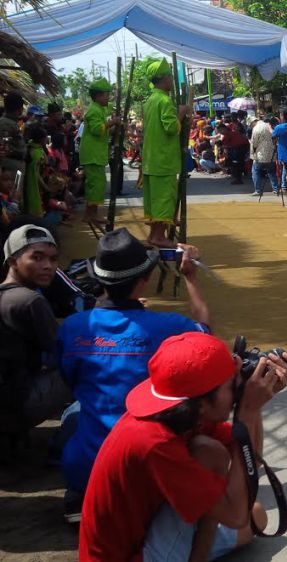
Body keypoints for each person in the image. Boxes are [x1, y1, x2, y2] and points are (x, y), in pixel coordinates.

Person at [78, 332, 287, 561]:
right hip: (127, 555)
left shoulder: (181, 409)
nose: (237, 388)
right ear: (202, 403)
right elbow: (235, 514)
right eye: (231, 384)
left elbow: (248, 455)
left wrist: (253, 402)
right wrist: (248, 412)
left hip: (150, 528)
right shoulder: (154, 441)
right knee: (212, 456)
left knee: (257, 516)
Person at [57, 228, 210, 521]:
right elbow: (206, 336)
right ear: (145, 279)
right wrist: (191, 279)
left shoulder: (74, 326)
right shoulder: (168, 326)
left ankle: (81, 496)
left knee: (74, 410)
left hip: (84, 467)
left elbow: (70, 380)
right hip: (143, 465)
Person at [0, 224, 67, 437]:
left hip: (8, 400)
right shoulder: (30, 300)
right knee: (86, 363)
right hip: (15, 407)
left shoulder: (8, 295)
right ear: (12, 261)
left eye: (53, 259)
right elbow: (62, 351)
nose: (47, 266)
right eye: (37, 258)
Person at [141, 58, 188, 248]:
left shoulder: (149, 101)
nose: (172, 80)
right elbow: (170, 128)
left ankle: (154, 235)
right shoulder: (164, 100)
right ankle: (158, 236)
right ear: (165, 79)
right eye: (170, 76)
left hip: (152, 159)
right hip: (163, 160)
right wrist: (182, 113)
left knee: (155, 199)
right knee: (163, 199)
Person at [79, 78, 120, 226]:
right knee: (96, 185)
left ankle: (91, 214)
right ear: (97, 96)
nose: (107, 98)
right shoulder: (94, 111)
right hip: (92, 154)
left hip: (95, 154)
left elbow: (108, 115)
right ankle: (90, 214)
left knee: (96, 184)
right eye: (105, 95)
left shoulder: (100, 109)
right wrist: (113, 122)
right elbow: (97, 130)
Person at [249, 117, 279, 196]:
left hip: (260, 155)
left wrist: (252, 155)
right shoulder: (268, 125)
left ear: (253, 122)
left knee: (255, 171)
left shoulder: (256, 128)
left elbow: (254, 143)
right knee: (271, 172)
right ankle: (276, 189)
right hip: (271, 154)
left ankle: (258, 190)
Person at [0, 93, 26, 172]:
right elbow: (4, 149)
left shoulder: (11, 122)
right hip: (9, 169)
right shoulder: (6, 124)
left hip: (13, 167)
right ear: (20, 108)